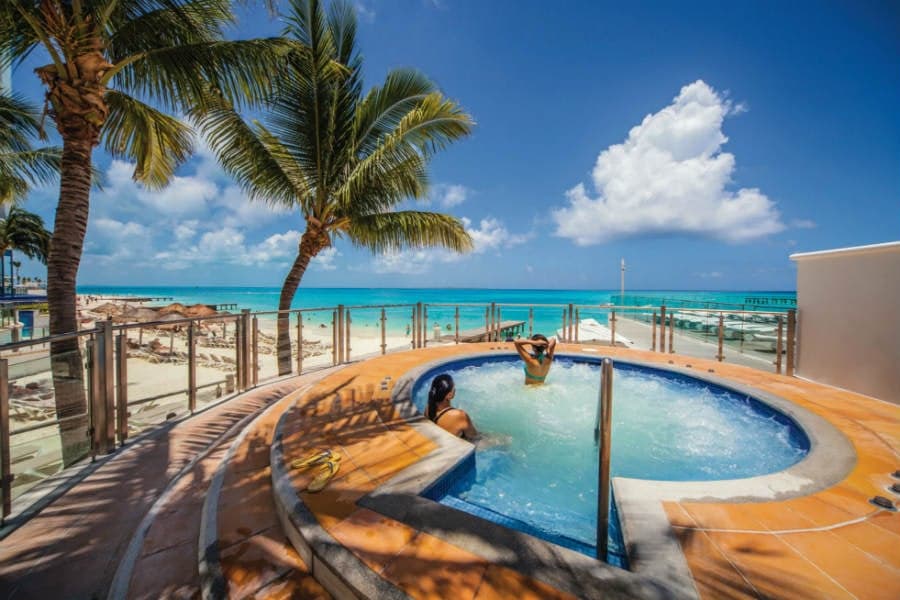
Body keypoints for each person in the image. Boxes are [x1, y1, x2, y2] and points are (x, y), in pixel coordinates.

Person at [427, 374, 477, 440]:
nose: (455, 389)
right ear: (449, 395)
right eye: (453, 388)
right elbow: (474, 437)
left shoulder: (428, 408)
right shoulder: (459, 415)